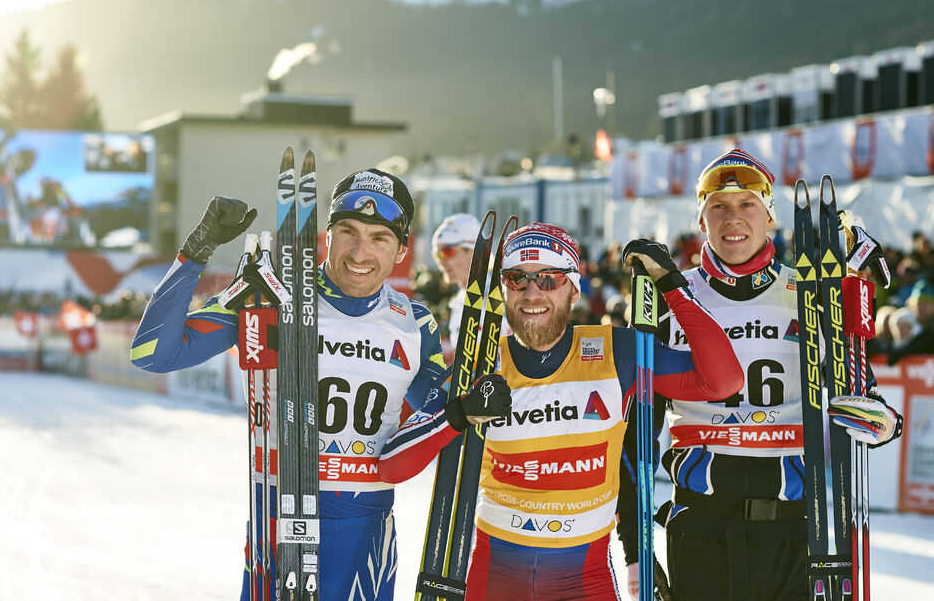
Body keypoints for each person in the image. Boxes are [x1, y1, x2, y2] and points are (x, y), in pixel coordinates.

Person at [129, 169, 513, 601]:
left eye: (379, 238)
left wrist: (469, 399)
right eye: (347, 231)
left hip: (366, 534)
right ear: (326, 235)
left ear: (402, 249)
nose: (359, 252)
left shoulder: (415, 322)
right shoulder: (272, 295)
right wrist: (198, 250)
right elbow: (152, 353)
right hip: (278, 527)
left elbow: (428, 427)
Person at [378, 221, 746, 601]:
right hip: (495, 576)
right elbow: (392, 466)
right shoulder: (481, 365)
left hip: (584, 580)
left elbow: (723, 380)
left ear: (573, 286)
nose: (532, 293)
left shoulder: (616, 352)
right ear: (504, 288)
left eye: (550, 279)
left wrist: (671, 285)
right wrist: (458, 414)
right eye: (517, 279)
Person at [629, 149, 903, 601]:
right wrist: (637, 551)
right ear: (701, 221)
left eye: (747, 204)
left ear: (770, 215)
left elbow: (865, 396)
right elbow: (637, 427)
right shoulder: (670, 295)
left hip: (797, 526)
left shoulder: (809, 293)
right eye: (717, 206)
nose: (732, 218)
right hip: (700, 524)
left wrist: (880, 422)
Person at [431, 213, 510, 362]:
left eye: (446, 251)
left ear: (473, 250)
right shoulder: (457, 302)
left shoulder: (502, 292)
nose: (441, 261)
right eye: (436, 254)